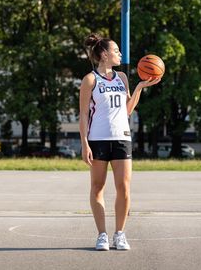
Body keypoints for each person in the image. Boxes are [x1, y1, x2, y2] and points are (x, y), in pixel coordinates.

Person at [79, 33, 161, 251]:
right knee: (97, 187)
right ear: (104, 54)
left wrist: (139, 88)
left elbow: (126, 110)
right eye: (116, 51)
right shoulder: (90, 80)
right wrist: (84, 143)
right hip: (97, 139)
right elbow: (84, 115)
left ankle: (120, 234)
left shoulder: (122, 78)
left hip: (121, 138)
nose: (120, 54)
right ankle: (102, 235)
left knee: (124, 188)